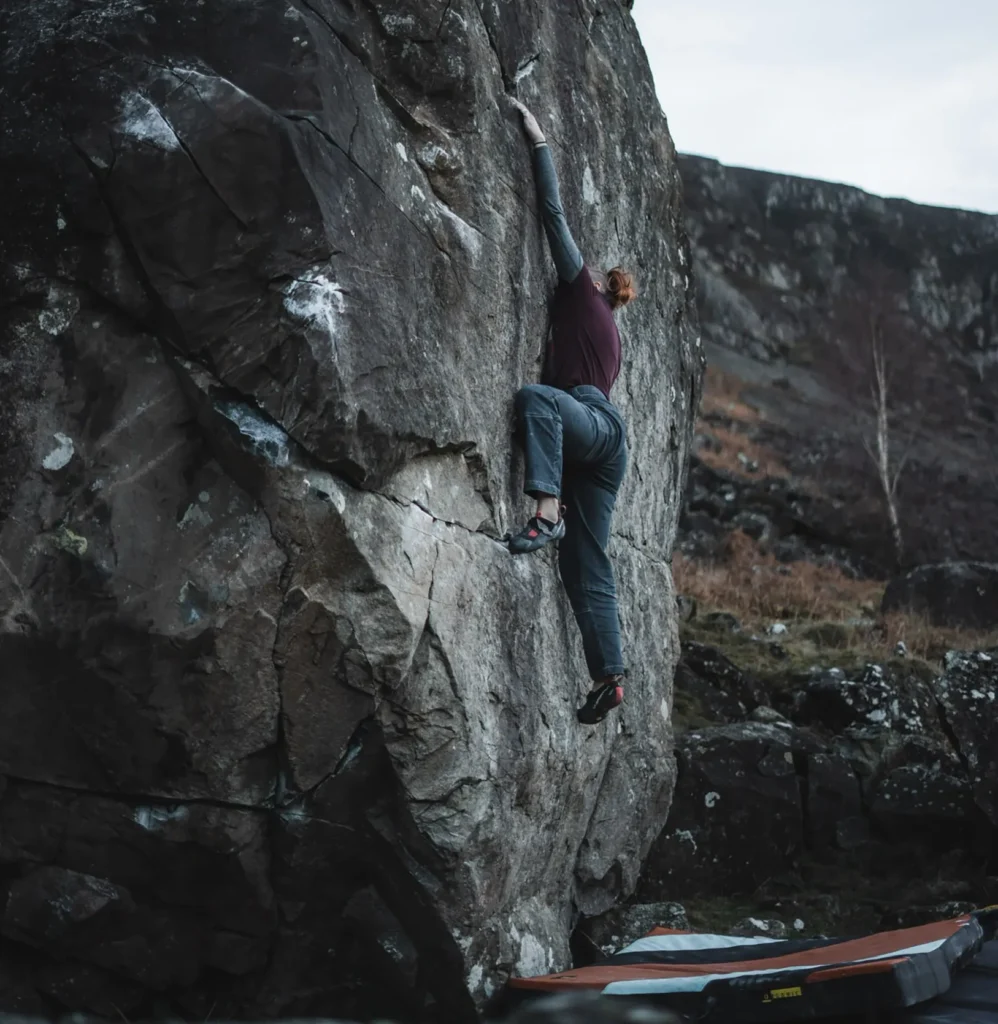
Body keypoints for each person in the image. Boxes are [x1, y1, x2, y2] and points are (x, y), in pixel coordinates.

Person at [507, 97, 637, 726]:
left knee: (537, 399)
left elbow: (553, 215)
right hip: (605, 446)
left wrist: (539, 142)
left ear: (599, 284)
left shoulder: (583, 292)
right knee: (588, 565)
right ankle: (610, 678)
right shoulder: (610, 331)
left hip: (590, 423)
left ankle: (545, 514)